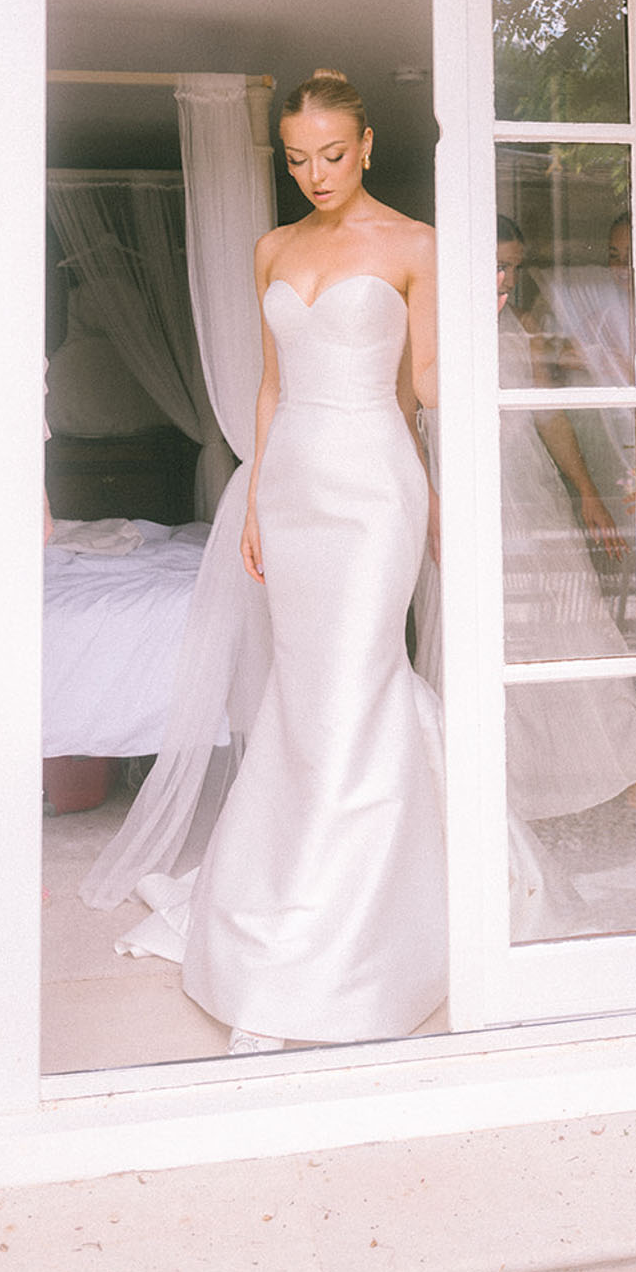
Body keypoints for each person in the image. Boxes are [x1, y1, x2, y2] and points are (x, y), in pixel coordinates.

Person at [178, 69, 446, 1053]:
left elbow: (423, 385)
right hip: (289, 487)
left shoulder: (417, 242)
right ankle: (287, 894)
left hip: (374, 484)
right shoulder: (273, 247)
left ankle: (335, 942)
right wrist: (253, 494)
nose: (315, 172)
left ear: (368, 144)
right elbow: (268, 385)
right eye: (297, 157)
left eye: (332, 153)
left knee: (354, 679)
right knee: (304, 688)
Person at [494, 217, 636, 822]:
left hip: (531, 489)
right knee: (494, 632)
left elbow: (549, 416)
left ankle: (618, 770)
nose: (506, 277)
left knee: (574, 617)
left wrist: (586, 492)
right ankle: (505, 781)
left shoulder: (522, 327)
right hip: (462, 492)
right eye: (496, 263)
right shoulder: (429, 322)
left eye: (514, 264)